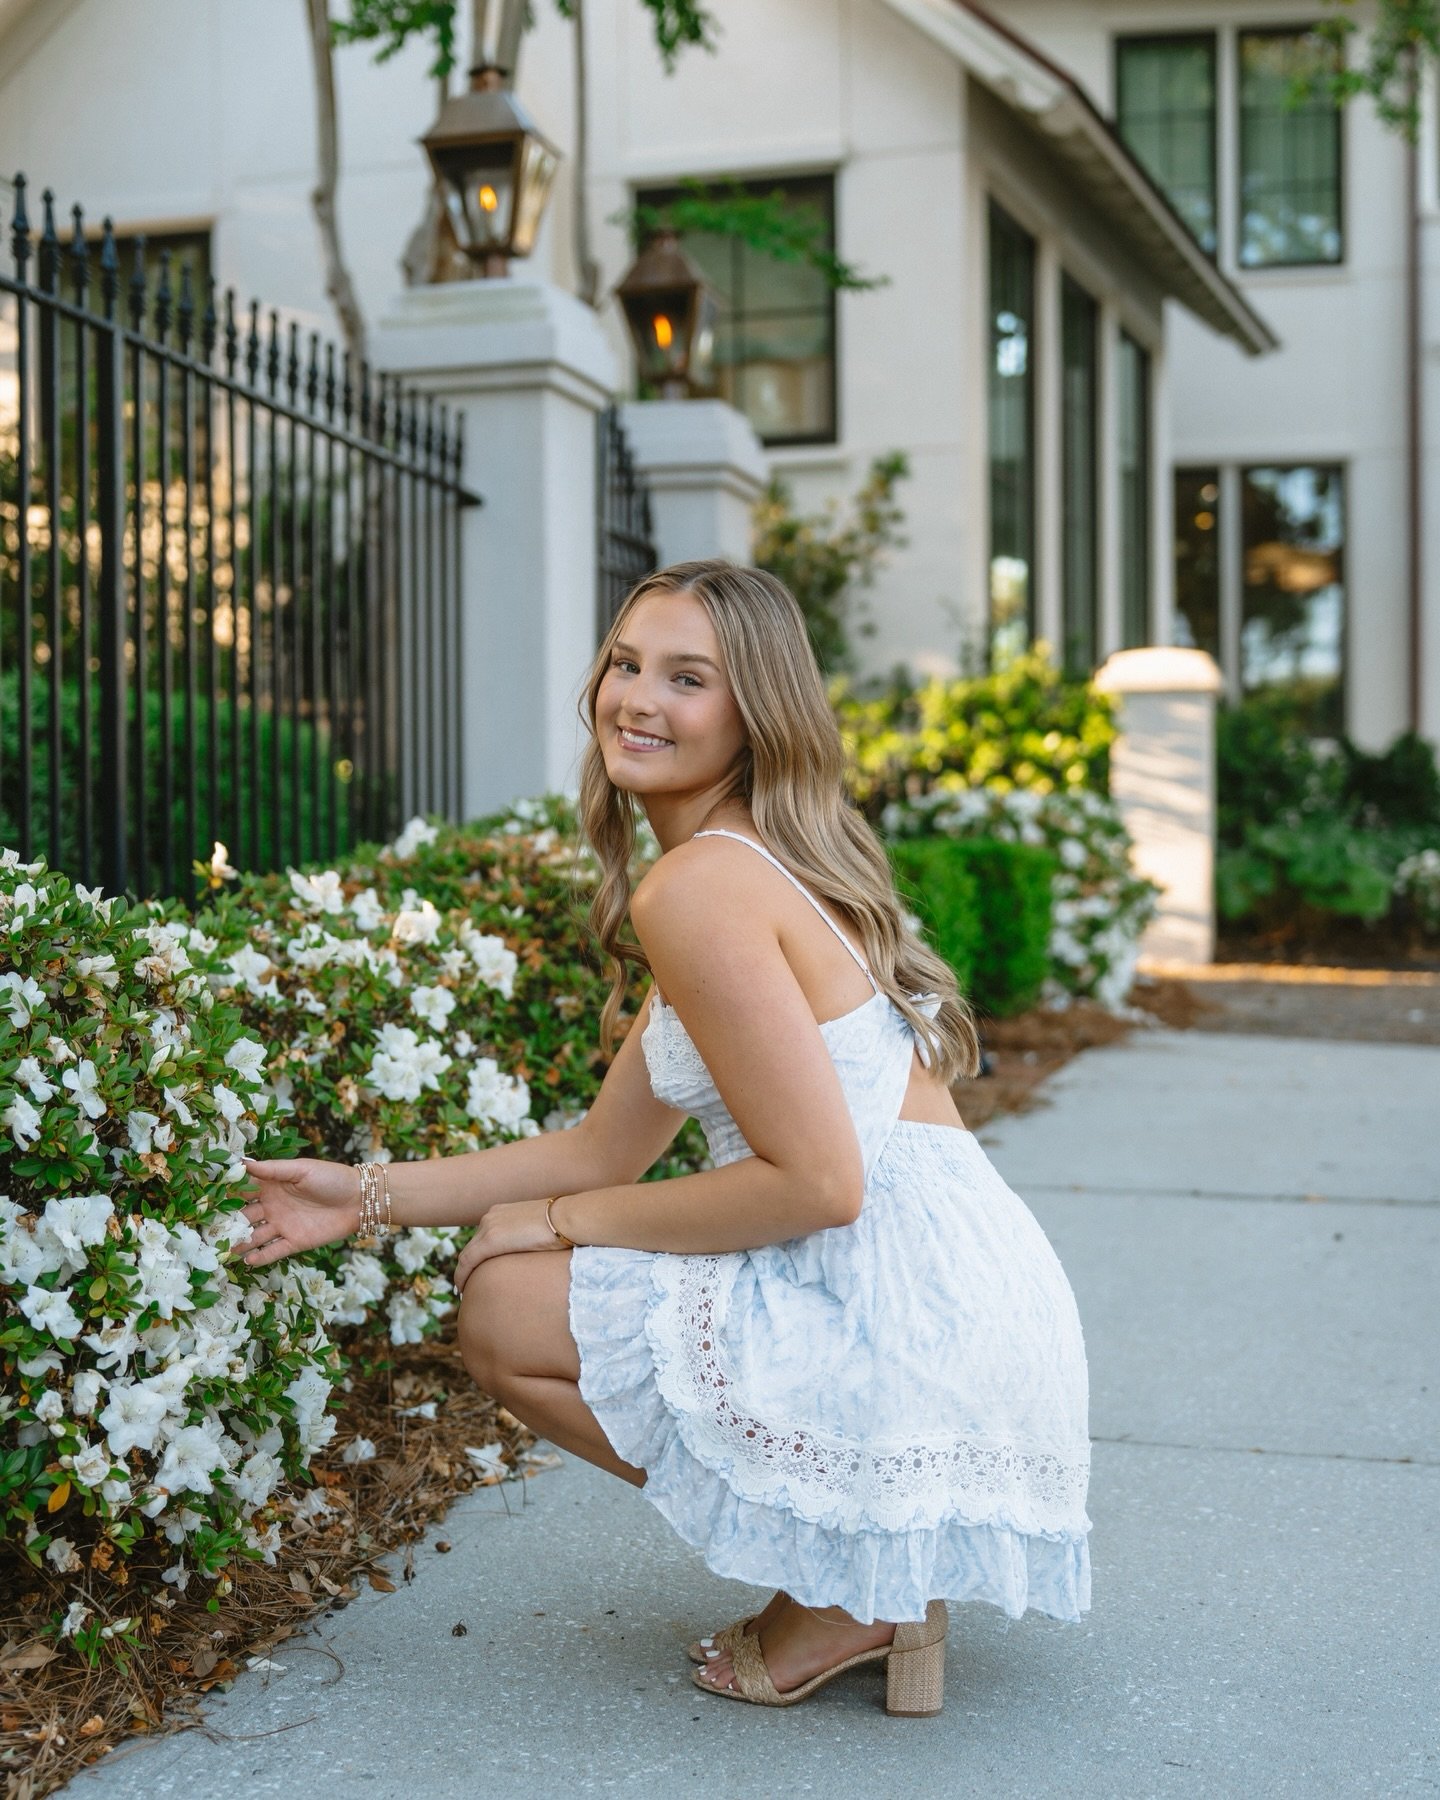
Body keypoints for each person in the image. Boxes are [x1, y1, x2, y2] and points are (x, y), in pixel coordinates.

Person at [241, 560, 1091, 1716]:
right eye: (626, 664)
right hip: (958, 1296)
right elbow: (605, 1149)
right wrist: (361, 1195)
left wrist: (555, 1224)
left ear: (755, 714)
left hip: (900, 1304)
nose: (636, 698)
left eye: (686, 678)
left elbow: (818, 1184)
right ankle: (865, 1569)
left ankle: (851, 1591)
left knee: (504, 1307)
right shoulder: (742, 864)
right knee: (521, 1278)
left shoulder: (701, 886)